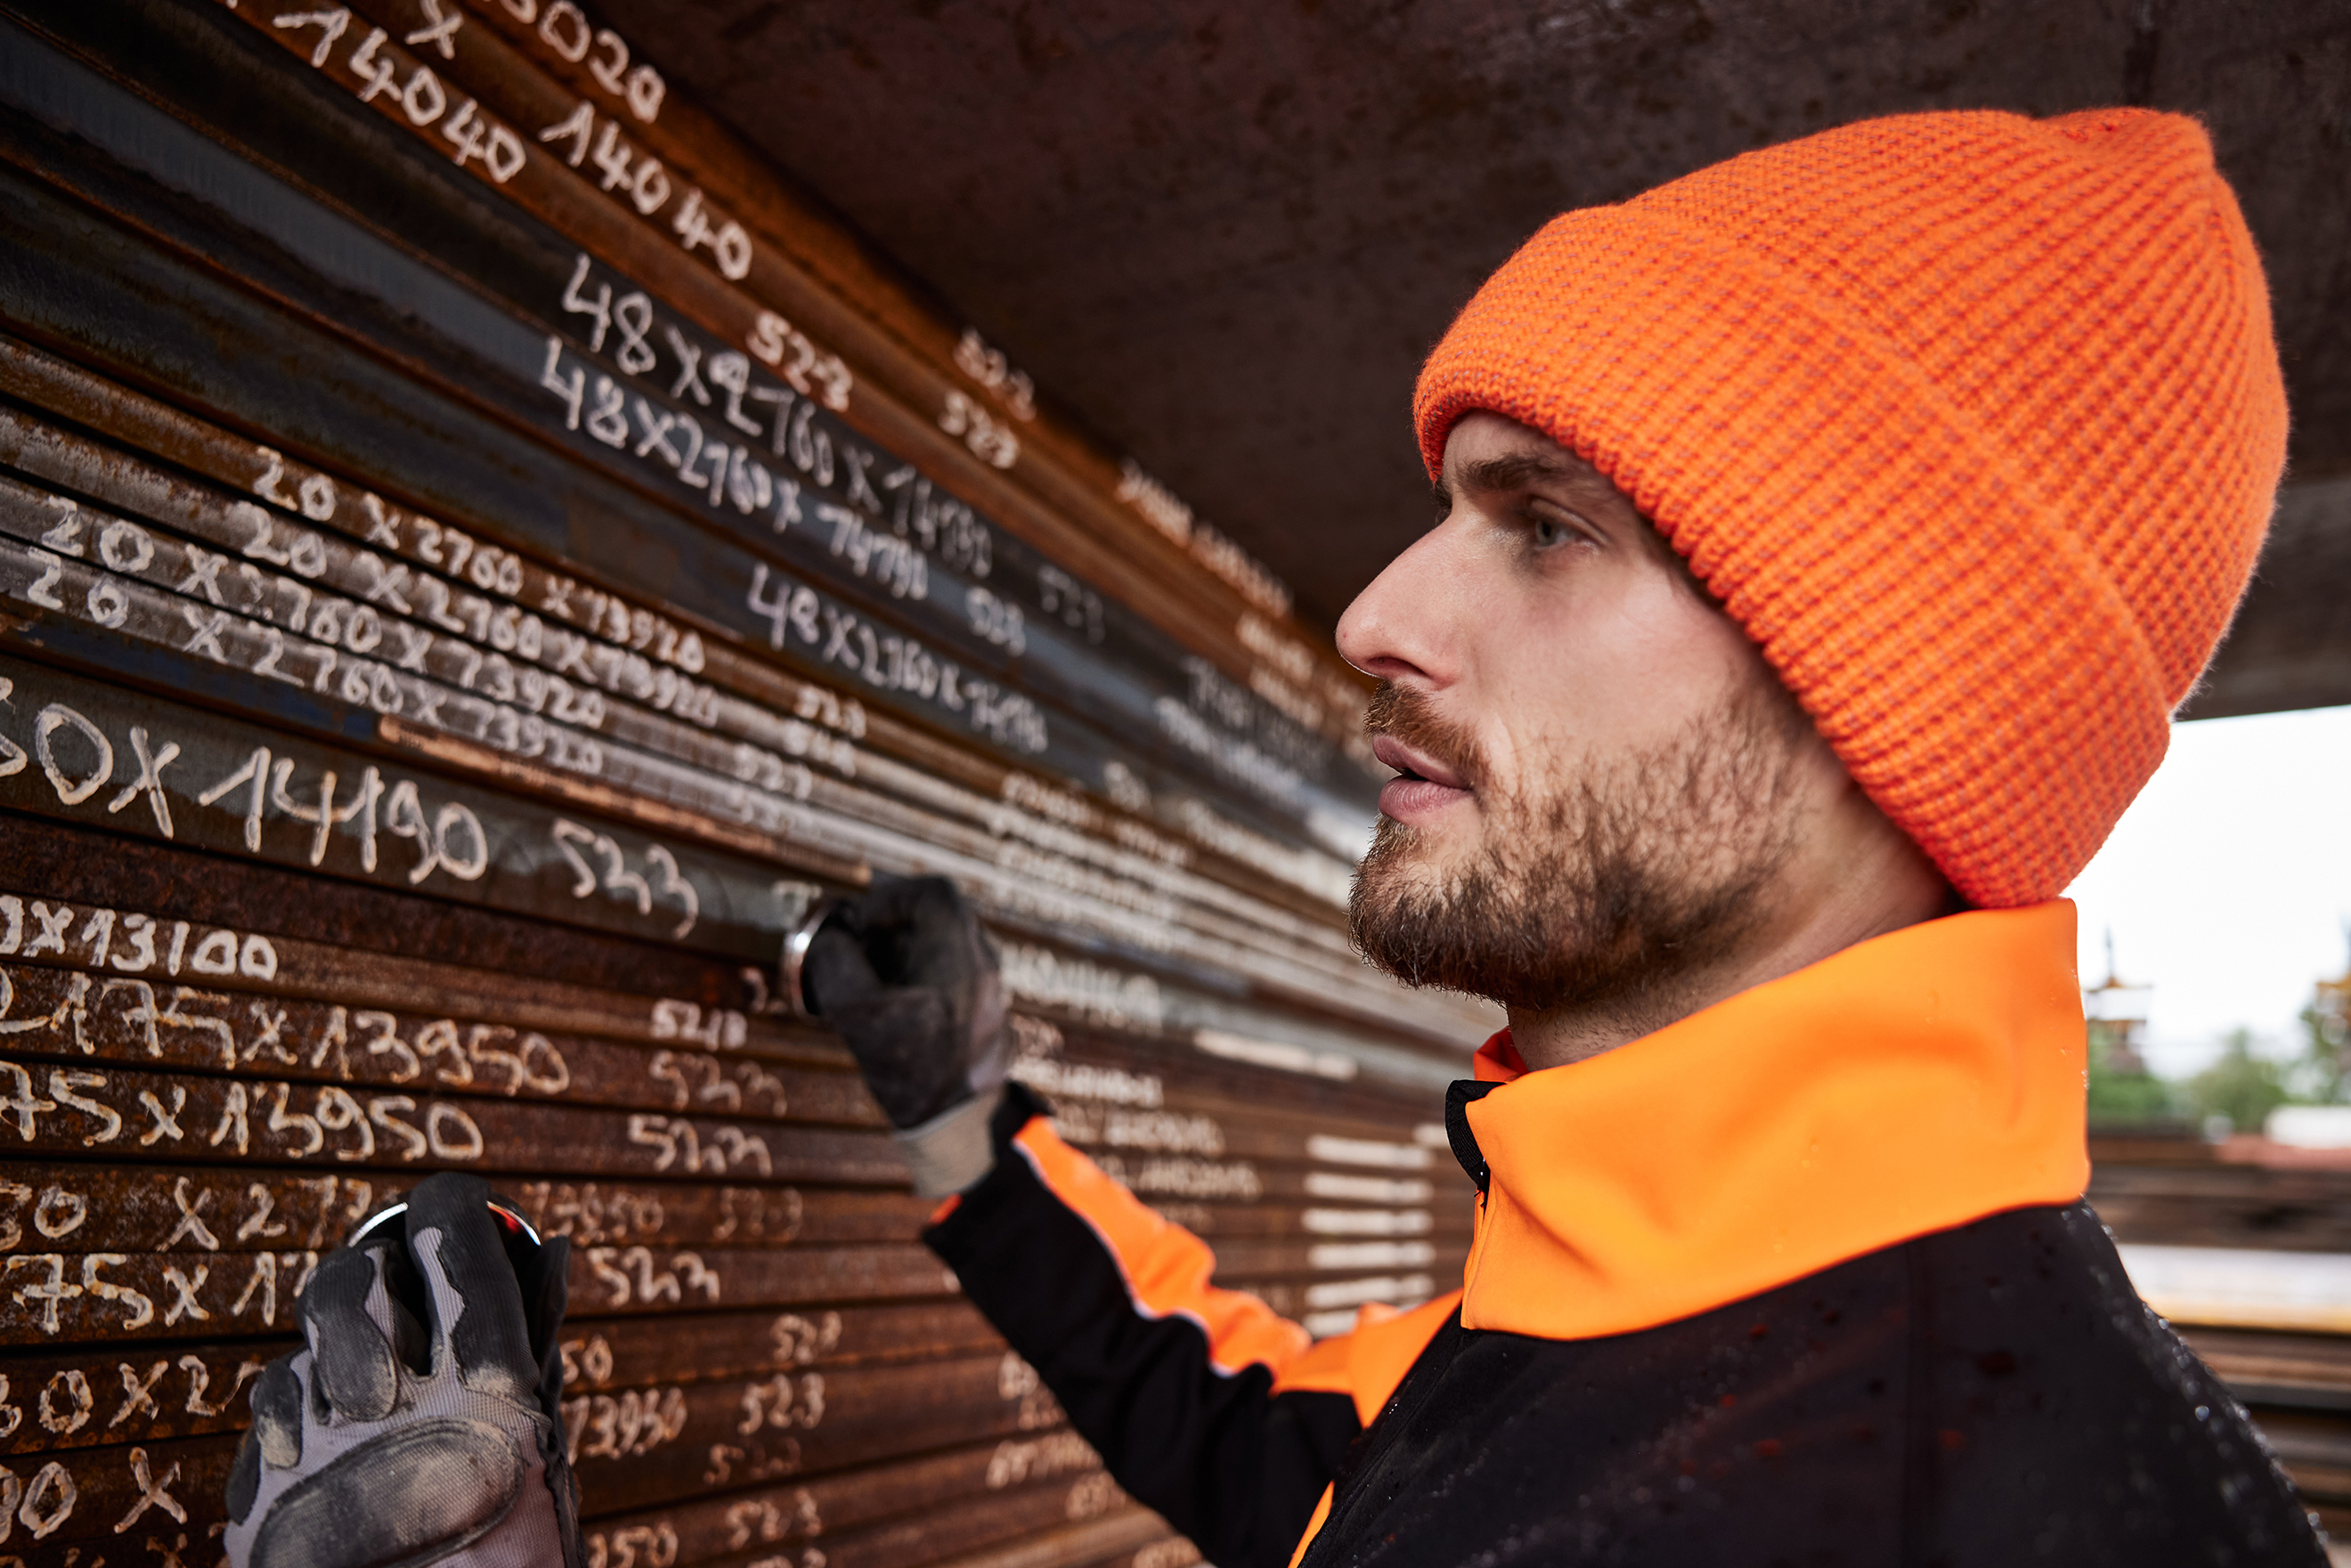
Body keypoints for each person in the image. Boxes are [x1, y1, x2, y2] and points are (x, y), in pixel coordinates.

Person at [232, 107, 2325, 1566]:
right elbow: (1257, 1431)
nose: (1378, 616)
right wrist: (964, 1119)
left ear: (1899, 687)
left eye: (1546, 527)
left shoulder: (2030, 1509)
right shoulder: (1626, 1311)